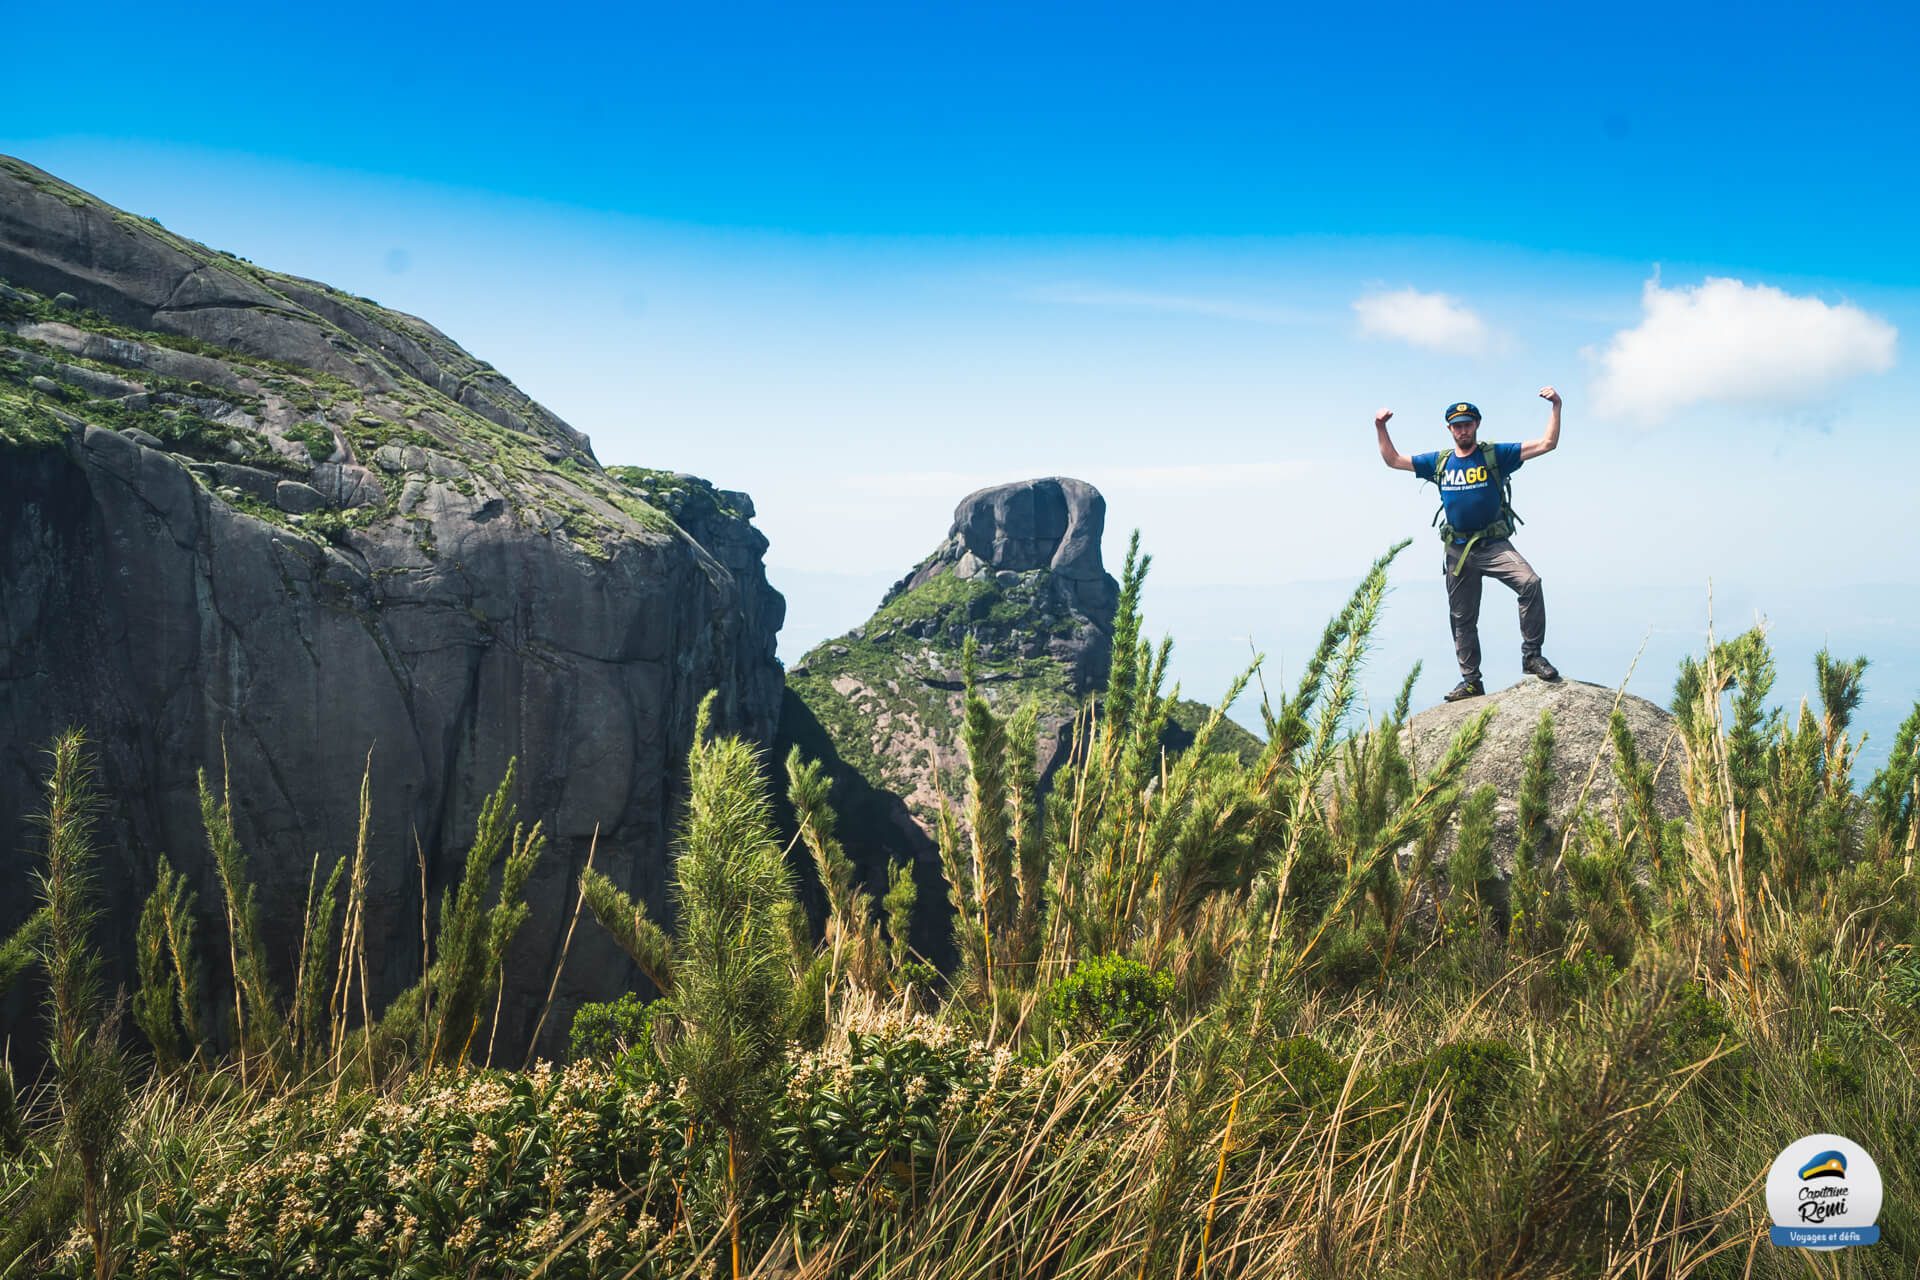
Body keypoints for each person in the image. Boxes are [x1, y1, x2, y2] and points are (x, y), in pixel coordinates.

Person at [1374, 389, 1564, 701]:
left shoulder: (1494, 455)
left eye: (1468, 424)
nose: (1463, 429)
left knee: (1530, 583)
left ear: (1476, 425)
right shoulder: (1440, 462)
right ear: (1450, 429)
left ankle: (1532, 656)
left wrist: (1556, 406)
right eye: (1457, 425)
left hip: (1494, 546)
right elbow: (1393, 460)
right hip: (1458, 552)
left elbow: (1547, 444)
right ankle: (1471, 681)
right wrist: (1381, 427)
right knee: (1462, 618)